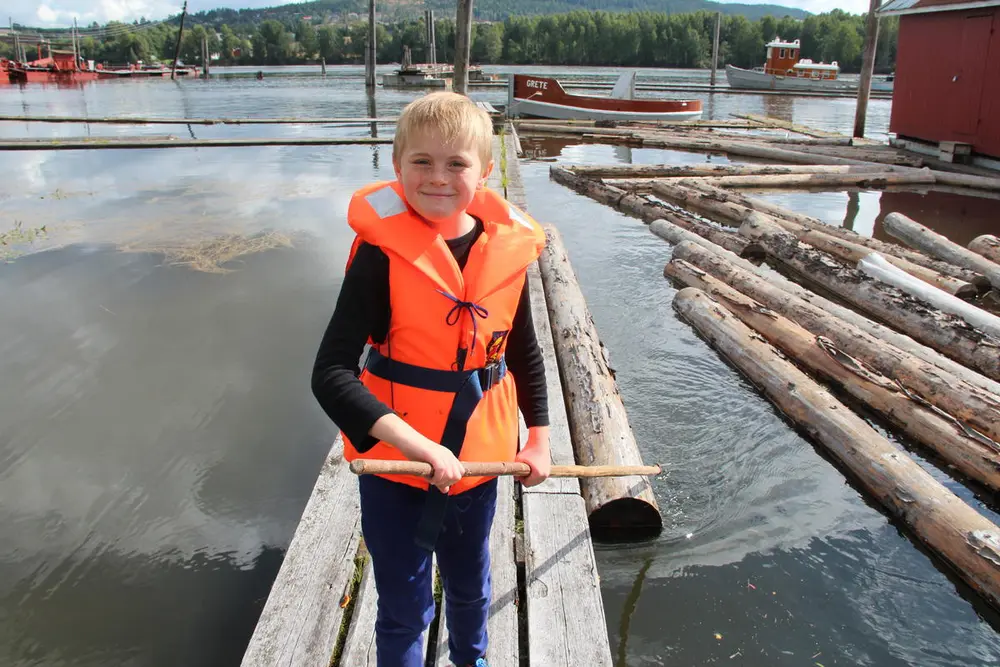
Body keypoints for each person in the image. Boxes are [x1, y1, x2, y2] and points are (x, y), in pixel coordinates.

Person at [312, 92, 552, 667]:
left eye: (456, 163)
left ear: (485, 170)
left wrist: (539, 439)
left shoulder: (506, 253)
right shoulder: (380, 255)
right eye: (421, 161)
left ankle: (473, 659)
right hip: (398, 467)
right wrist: (417, 447)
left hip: (479, 466)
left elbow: (523, 353)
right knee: (404, 606)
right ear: (397, 166)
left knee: (471, 587)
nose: (438, 177)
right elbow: (330, 374)